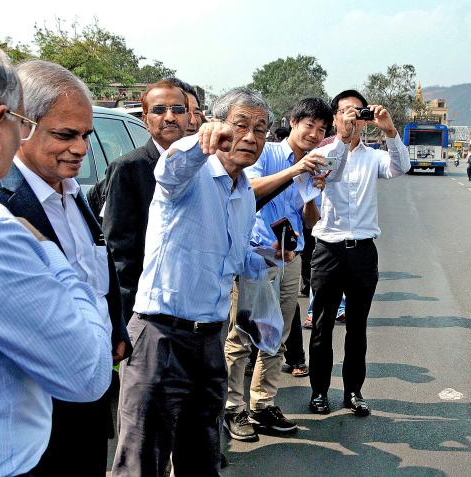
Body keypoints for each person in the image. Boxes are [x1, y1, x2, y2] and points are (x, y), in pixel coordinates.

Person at [112, 88, 282, 477]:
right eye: (240, 125)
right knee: (142, 462)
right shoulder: (189, 174)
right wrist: (198, 140)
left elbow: (230, 259)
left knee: (202, 457)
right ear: (218, 126)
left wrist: (267, 257)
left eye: (260, 129)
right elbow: (170, 169)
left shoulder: (243, 196)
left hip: (209, 343)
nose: (251, 137)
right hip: (160, 338)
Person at [0, 56, 120, 476]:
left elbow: (99, 266)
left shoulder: (75, 192)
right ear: (18, 125)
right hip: (40, 413)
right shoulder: (5, 210)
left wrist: (115, 329)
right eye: (65, 134)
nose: (81, 148)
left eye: (86, 134)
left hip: (92, 388)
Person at [222, 97, 345, 441]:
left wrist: (311, 192)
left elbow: (311, 221)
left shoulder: (313, 164)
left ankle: (263, 404)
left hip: (291, 258)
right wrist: (295, 171)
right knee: (244, 335)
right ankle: (233, 408)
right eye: (309, 126)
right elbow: (249, 192)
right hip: (258, 255)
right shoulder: (268, 152)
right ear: (293, 122)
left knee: (277, 335)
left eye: (321, 130)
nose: (314, 134)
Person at [307, 89, 410, 416]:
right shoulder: (325, 152)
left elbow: (401, 167)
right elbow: (331, 173)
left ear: (366, 121)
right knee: (322, 326)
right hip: (328, 251)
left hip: (363, 253)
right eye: (345, 112)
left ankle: (353, 392)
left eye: (358, 113)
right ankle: (319, 392)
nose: (352, 117)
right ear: (335, 118)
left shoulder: (375, 157)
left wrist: (391, 130)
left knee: (357, 327)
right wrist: (342, 137)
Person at [101, 79, 189, 322]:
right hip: (147, 310)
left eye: (178, 110)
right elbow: (120, 251)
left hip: (195, 308)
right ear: (145, 119)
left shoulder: (205, 166)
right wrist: (126, 316)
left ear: (189, 116)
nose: (170, 117)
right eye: (159, 110)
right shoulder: (128, 168)